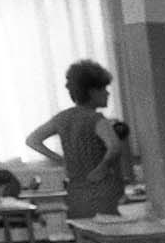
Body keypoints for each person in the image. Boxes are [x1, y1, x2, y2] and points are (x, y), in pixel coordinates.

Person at [25, 59, 125, 219]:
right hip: (101, 192)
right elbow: (114, 147)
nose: (108, 93)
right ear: (92, 92)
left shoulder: (62, 118)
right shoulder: (97, 119)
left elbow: (32, 140)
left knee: (82, 230)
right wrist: (102, 167)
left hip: (76, 192)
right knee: (107, 230)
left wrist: (60, 160)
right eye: (103, 89)